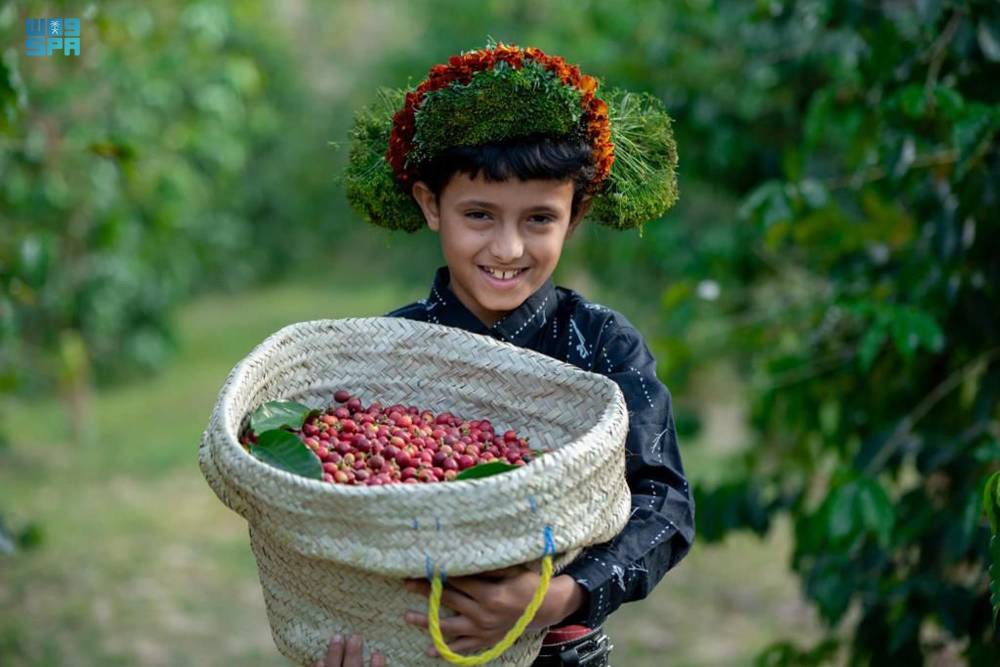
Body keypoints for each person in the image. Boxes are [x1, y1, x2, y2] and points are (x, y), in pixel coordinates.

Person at [321, 38, 694, 667]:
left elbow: (666, 508)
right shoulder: (389, 353)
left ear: (575, 215)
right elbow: (342, 509)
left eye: (539, 219)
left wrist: (554, 598)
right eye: (479, 215)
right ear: (430, 204)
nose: (508, 248)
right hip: (411, 646)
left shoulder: (602, 344)